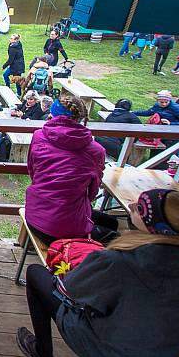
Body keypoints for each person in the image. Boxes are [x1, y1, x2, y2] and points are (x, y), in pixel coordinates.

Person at [17, 188, 179, 357]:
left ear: (159, 228)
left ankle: (43, 354)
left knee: (36, 274)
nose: (131, 206)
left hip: (106, 351)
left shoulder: (120, 262)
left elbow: (73, 288)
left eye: (139, 209)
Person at [24, 95, 118, 246]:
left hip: (34, 215)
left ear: (52, 114)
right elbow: (92, 193)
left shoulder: (38, 136)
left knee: (108, 221)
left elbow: (32, 171)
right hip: (64, 230)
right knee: (116, 234)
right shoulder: (96, 151)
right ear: (81, 117)